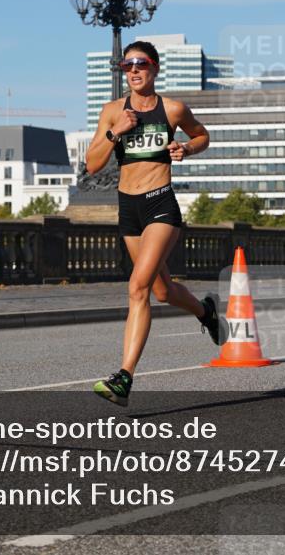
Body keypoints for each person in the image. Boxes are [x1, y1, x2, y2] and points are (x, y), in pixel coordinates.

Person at [85, 41, 222, 406]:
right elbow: (92, 164)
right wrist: (117, 133)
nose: (133, 70)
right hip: (128, 208)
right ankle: (205, 311)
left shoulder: (173, 109)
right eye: (126, 65)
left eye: (140, 63)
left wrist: (187, 149)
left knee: (137, 288)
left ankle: (124, 377)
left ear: (155, 68)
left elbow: (202, 135)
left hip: (160, 203)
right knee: (161, 291)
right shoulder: (113, 111)